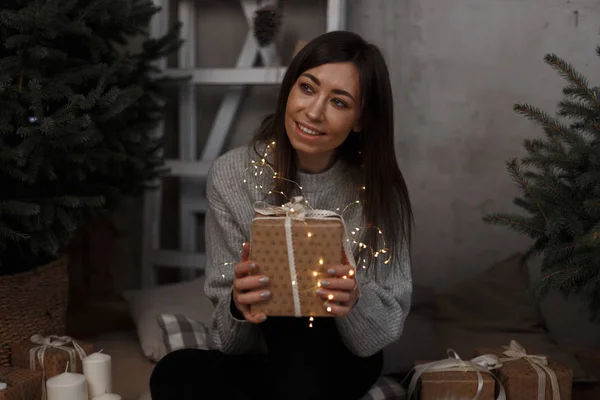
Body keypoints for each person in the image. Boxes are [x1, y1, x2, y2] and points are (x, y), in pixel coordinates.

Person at [149, 30, 414, 400]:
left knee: (302, 328)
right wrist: (239, 307)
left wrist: (354, 300)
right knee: (173, 372)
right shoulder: (232, 176)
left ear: (360, 120)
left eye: (339, 102)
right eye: (307, 88)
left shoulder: (379, 192)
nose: (314, 112)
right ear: (290, 88)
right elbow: (227, 341)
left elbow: (382, 330)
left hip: (342, 355)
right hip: (269, 358)